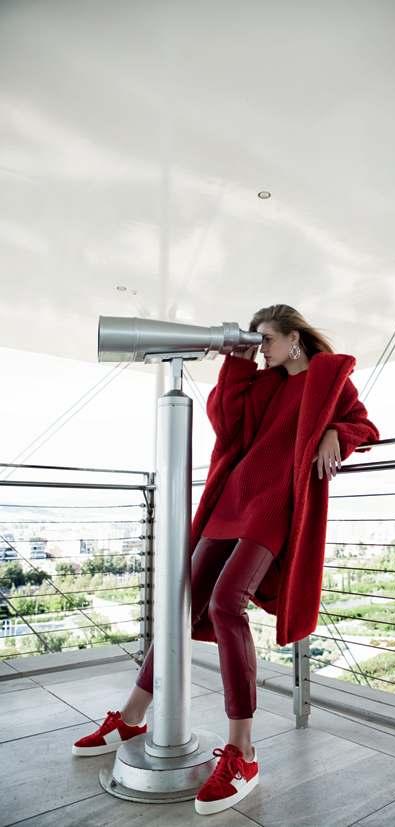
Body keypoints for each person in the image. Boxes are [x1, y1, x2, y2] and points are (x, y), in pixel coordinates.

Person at [72, 304, 379, 816]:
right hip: (234, 499)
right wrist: (237, 363)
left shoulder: (329, 379)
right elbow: (225, 420)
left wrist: (336, 434)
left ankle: (243, 752)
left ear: (294, 337)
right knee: (180, 606)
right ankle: (132, 716)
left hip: (272, 510)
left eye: (265, 339)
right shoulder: (265, 382)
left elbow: (363, 425)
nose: (261, 347)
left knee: (224, 603)